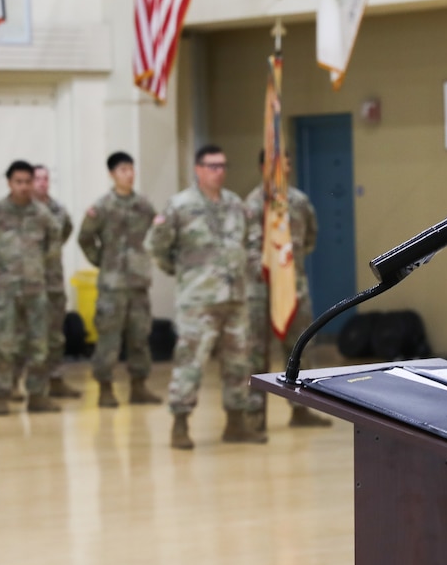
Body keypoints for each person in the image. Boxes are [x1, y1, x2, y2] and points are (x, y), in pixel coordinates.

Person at [146, 144, 261, 450]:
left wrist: (245, 268)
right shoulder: (179, 206)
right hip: (198, 301)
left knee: (238, 363)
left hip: (235, 299)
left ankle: (236, 423)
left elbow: (251, 242)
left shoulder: (236, 204)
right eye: (212, 166)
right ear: (198, 169)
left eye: (223, 166)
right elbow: (156, 245)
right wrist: (183, 273)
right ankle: (180, 423)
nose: (218, 172)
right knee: (190, 363)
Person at [243, 150, 326, 431]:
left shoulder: (300, 202)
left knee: (301, 348)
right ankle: (253, 415)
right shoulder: (253, 205)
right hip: (260, 291)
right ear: (262, 167)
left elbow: (310, 239)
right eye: (276, 162)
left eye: (286, 161)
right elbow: (246, 248)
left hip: (294, 288)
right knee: (255, 353)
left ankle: (301, 409)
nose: (283, 167)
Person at [0, 160, 63, 415]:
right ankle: (1, 395)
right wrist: (2, 267)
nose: (23, 187)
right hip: (5, 291)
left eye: (27, 182)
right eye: (18, 182)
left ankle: (37, 394)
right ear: (9, 183)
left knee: (38, 344)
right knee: (4, 344)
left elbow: (54, 242)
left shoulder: (42, 214)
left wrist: (38, 266)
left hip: (36, 290)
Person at [77, 151, 160, 408]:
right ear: (112, 174)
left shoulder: (144, 206)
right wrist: (102, 261)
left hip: (138, 283)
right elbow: (85, 238)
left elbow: (156, 235)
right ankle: (105, 387)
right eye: (123, 170)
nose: (129, 174)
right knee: (108, 338)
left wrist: (148, 260)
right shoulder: (101, 207)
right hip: (112, 285)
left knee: (139, 336)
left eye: (131, 169)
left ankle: (138, 386)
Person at [31, 164, 80, 399]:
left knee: (55, 334)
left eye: (45, 178)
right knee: (22, 335)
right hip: (26, 281)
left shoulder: (58, 210)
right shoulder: (20, 209)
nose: (42, 182)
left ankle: (56, 379)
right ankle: (15, 383)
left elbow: (66, 231)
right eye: (37, 178)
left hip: (52, 280)